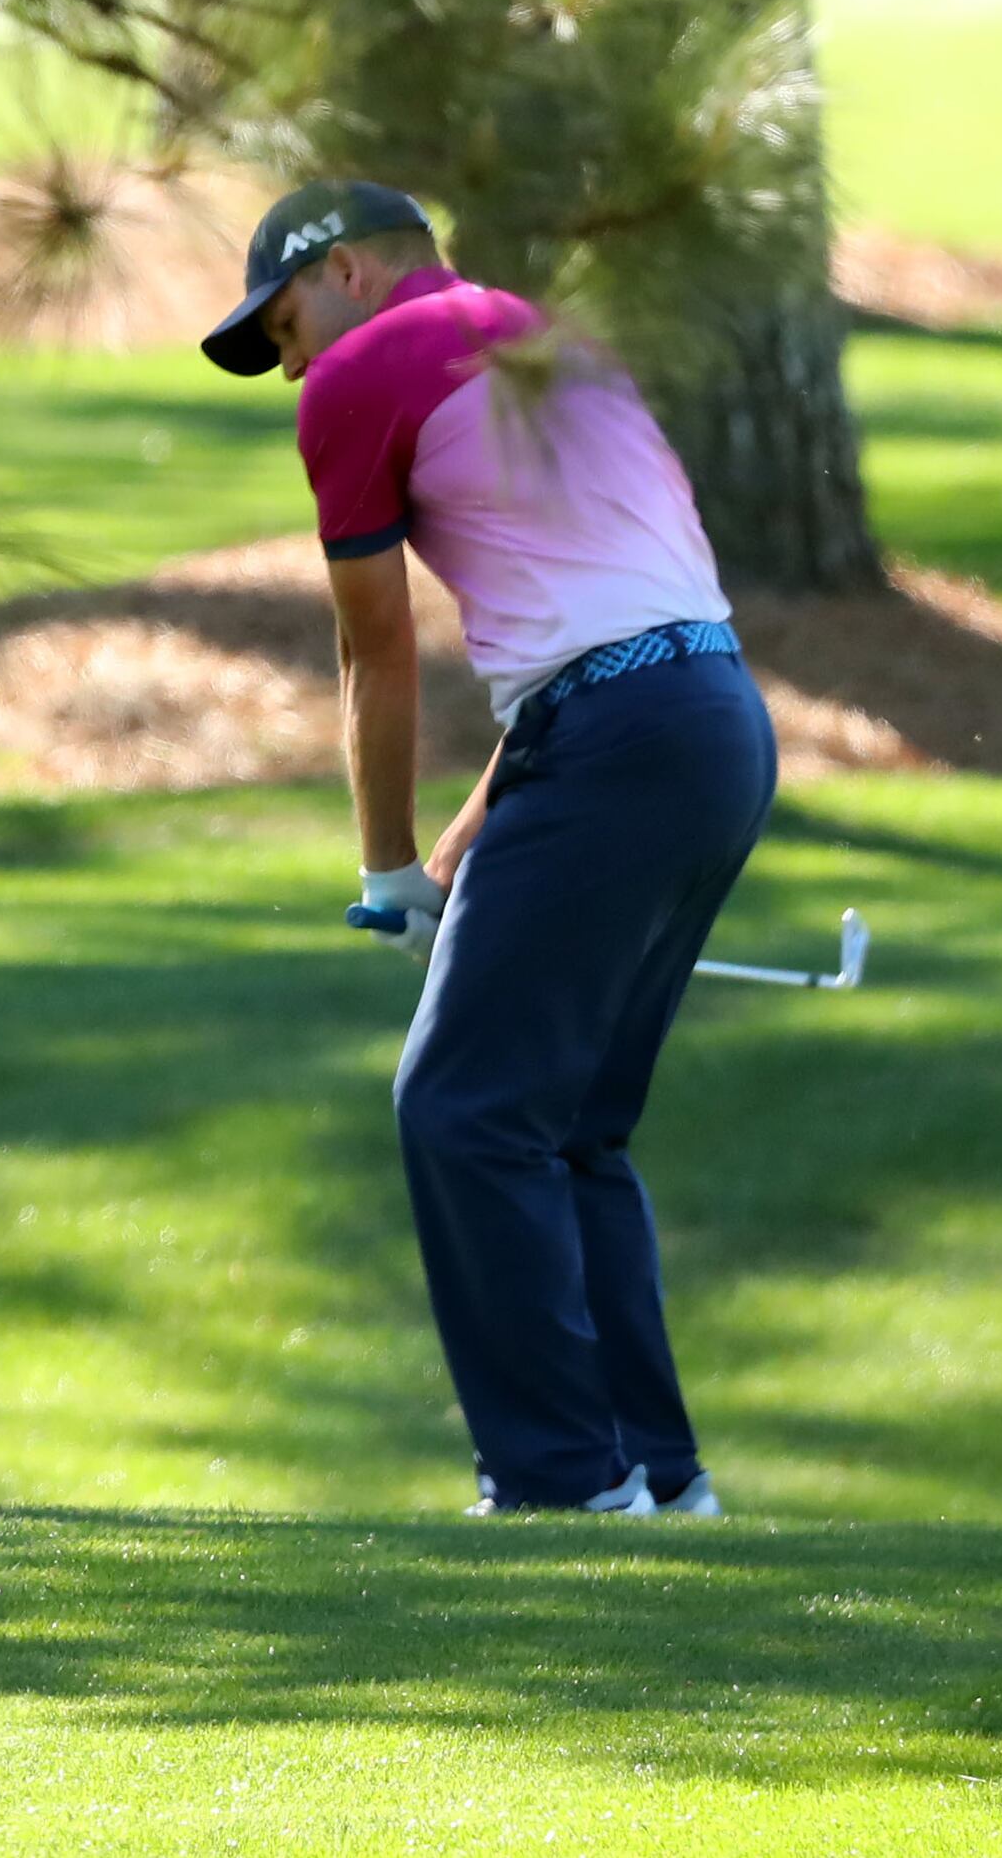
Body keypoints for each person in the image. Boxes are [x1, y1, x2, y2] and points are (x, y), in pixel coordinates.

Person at [198, 182, 777, 1520]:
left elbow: (373, 645)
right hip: (713, 722)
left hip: (617, 737)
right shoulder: (558, 343)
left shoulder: (359, 374)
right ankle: (657, 1472)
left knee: (460, 1109)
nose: (288, 361)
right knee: (570, 1125)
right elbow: (608, 625)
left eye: (282, 324)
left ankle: (561, 1488)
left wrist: (387, 864)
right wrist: (467, 846)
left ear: (345, 272)